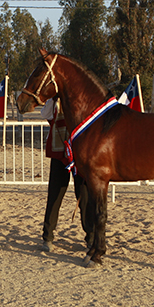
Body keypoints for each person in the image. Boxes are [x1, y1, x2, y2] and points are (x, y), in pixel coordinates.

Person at [40, 98, 94, 252]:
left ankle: (90, 236)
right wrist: (53, 99)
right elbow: (45, 113)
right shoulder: (56, 102)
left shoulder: (83, 101)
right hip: (59, 153)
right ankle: (48, 236)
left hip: (80, 155)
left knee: (84, 196)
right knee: (55, 196)